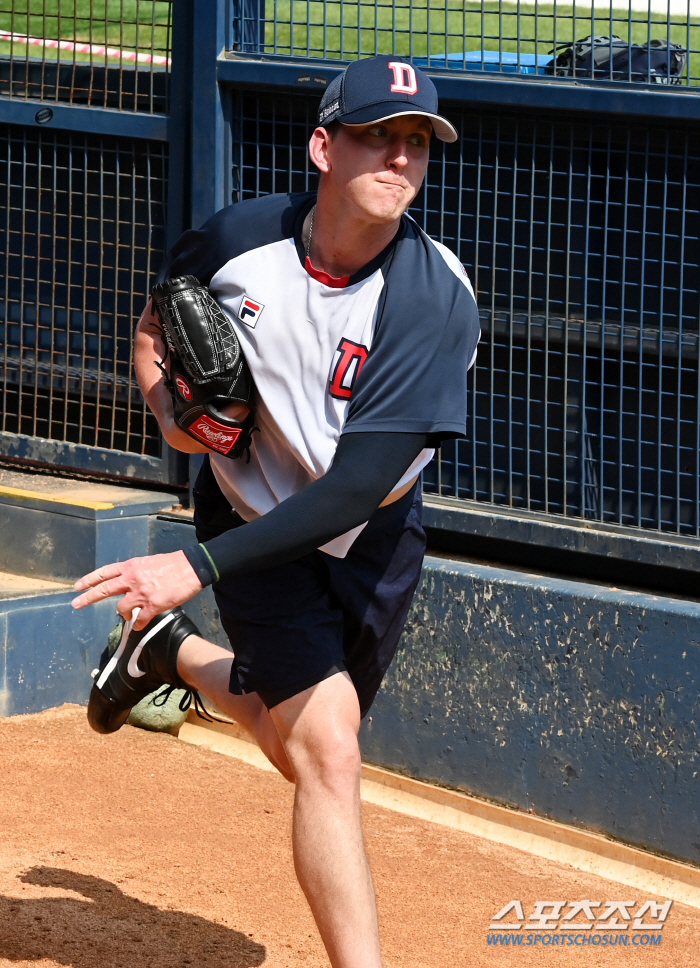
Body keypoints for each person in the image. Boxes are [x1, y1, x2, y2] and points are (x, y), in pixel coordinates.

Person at [72, 54, 480, 968]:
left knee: (297, 743)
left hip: (369, 537)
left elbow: (353, 489)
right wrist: (174, 419)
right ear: (323, 146)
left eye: (417, 143)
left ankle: (166, 649)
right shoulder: (239, 239)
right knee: (329, 750)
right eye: (378, 135)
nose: (399, 157)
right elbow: (153, 323)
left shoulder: (429, 302)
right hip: (248, 518)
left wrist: (190, 574)